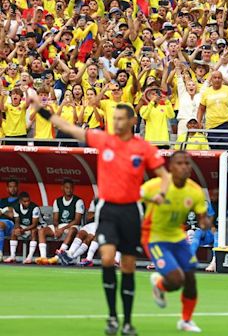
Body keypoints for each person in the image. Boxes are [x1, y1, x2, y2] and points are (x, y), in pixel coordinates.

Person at [30, 95, 170, 336]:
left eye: (120, 119)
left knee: (127, 265)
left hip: (131, 210)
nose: (115, 122)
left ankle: (127, 321)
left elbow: (164, 176)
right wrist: (42, 110)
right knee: (106, 258)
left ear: (132, 121)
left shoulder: (143, 147)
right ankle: (112, 317)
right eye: (113, 118)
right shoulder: (103, 140)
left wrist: (161, 195)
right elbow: (67, 126)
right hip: (108, 210)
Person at [141, 151, 208, 333]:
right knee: (176, 280)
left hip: (177, 236)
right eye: (179, 163)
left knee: (191, 279)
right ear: (170, 167)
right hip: (154, 236)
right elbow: (133, 197)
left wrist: (205, 222)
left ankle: (186, 321)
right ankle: (160, 285)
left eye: (187, 163)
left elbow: (202, 216)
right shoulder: (155, 186)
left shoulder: (194, 191)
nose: (185, 167)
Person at [36, 179, 85, 265]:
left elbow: (77, 220)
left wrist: (62, 229)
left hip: (72, 226)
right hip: (60, 226)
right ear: (62, 188)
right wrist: (56, 229)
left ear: (73, 189)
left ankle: (58, 256)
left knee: (72, 230)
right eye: (66, 188)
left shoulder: (78, 201)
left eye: (70, 188)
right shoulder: (57, 201)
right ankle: (43, 257)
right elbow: (55, 219)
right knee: (41, 231)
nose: (69, 190)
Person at [3, 192, 40, 264]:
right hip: (23, 226)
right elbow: (17, 221)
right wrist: (18, 229)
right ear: (20, 201)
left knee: (33, 231)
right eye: (25, 201)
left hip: (37, 226)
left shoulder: (35, 208)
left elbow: (34, 224)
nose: (27, 203)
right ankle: (12, 256)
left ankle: (29, 257)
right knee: (14, 231)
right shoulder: (16, 207)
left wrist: (24, 230)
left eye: (28, 201)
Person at [0, 179, 19, 261]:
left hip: (11, 224)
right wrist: (6, 210)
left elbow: (12, 215)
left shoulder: (20, 201)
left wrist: (2, 211)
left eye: (14, 186)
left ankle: (0, 252)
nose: (13, 189)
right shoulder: (2, 201)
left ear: (17, 188)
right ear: (7, 188)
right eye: (10, 187)